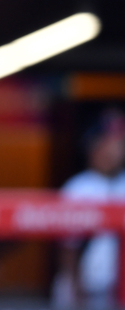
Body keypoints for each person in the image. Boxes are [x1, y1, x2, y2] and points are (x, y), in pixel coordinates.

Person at [52, 107, 125, 309]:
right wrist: (75, 287)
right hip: (86, 285)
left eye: (118, 145)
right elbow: (68, 246)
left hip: (119, 287)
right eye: (105, 145)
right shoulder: (77, 187)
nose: (112, 152)